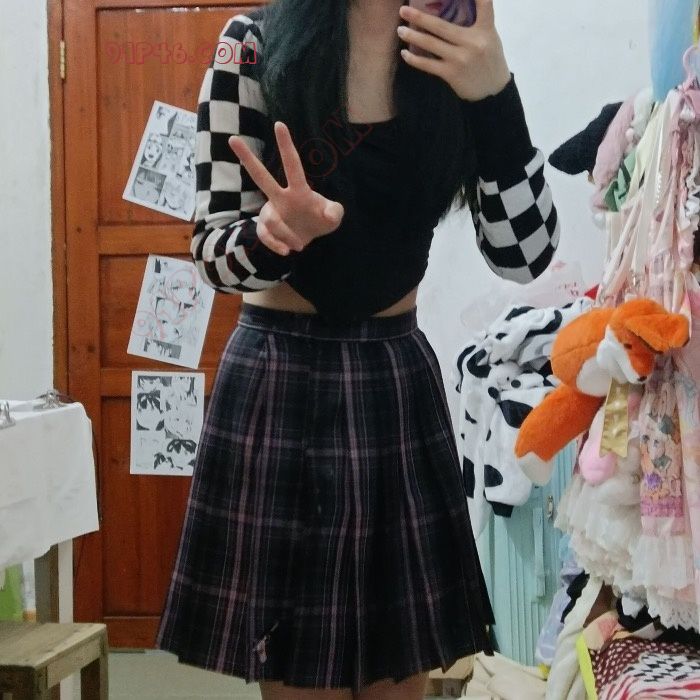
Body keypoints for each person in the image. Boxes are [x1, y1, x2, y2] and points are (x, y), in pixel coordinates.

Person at [156, 1, 560, 698]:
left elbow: (526, 255)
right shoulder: (252, 43)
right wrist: (273, 234)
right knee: (298, 676)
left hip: (394, 378)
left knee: (399, 677)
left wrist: (495, 92)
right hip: (280, 380)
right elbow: (213, 251)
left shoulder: (455, 49)